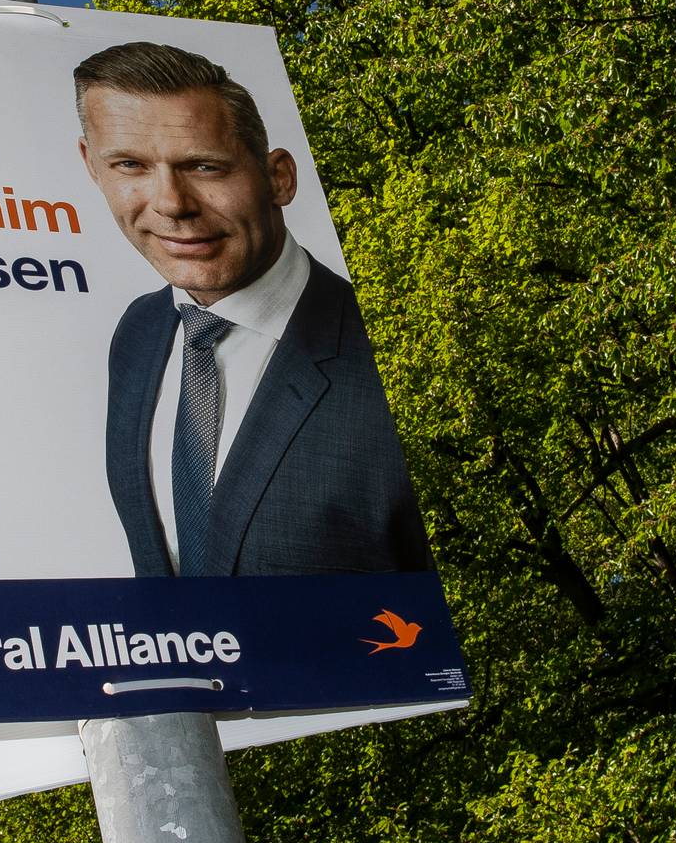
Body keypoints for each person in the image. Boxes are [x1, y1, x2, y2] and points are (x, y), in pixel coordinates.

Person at [76, 41, 432, 578]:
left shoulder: (397, 346)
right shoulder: (139, 333)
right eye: (130, 165)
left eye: (205, 167)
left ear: (279, 178)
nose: (172, 203)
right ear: (92, 166)